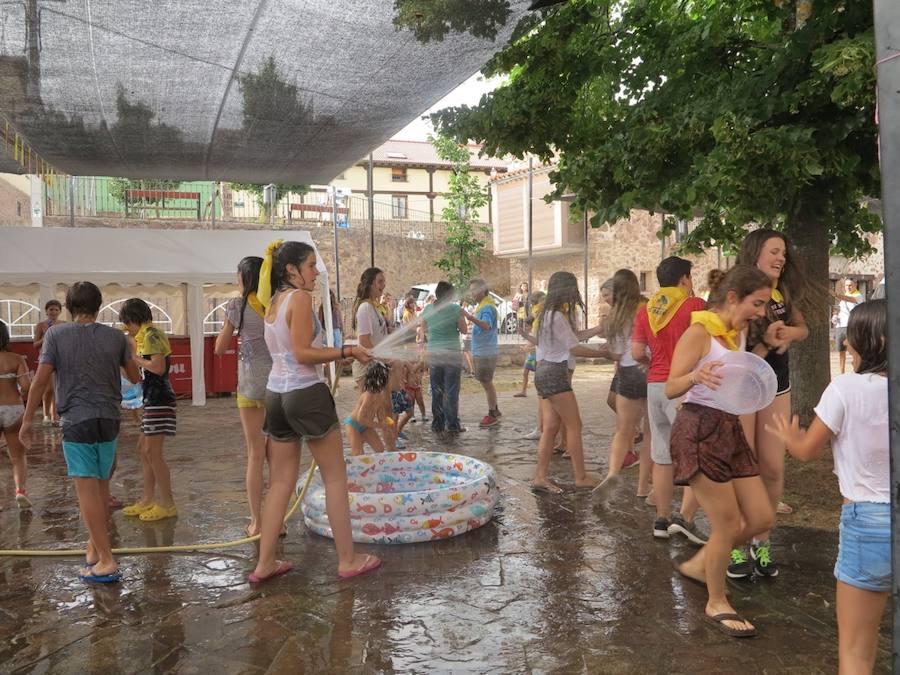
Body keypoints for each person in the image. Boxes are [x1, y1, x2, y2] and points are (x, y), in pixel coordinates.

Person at [766, 300, 888, 673]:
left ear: (875, 341)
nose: (846, 343)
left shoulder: (846, 389)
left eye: (852, 336)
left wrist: (790, 437)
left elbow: (806, 451)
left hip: (867, 524)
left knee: (856, 650)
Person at [253, 240, 379, 582]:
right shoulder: (299, 298)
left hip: (276, 395)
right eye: (311, 266)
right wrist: (347, 351)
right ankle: (348, 560)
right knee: (335, 477)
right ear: (291, 270)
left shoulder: (273, 302)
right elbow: (303, 353)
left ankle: (265, 564)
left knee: (280, 481)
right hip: (305, 392)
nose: (315, 273)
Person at [667, 264, 777, 638]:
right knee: (727, 525)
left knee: (761, 517)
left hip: (729, 428)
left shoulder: (736, 332)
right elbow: (670, 387)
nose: (760, 312)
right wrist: (694, 376)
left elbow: (743, 370)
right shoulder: (699, 333)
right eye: (757, 303)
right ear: (733, 297)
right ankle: (716, 601)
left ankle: (702, 563)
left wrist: (766, 344)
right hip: (697, 431)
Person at [20, 282, 141, 583]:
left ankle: (107, 560)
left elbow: (40, 382)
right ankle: (93, 550)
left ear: (70, 307)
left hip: (77, 420)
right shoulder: (116, 337)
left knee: (87, 491)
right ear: (98, 306)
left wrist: (27, 420)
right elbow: (134, 376)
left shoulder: (56, 335)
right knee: (101, 488)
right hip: (109, 418)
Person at [731, 228, 828, 579]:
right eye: (774, 251)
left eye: (783, 253)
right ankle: (736, 545)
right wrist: (764, 343)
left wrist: (790, 333)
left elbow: (802, 328)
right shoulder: (734, 291)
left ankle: (762, 541)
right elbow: (727, 345)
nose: (781, 258)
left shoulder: (782, 292)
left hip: (777, 386)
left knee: (772, 467)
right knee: (743, 466)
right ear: (755, 253)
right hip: (741, 388)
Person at [632, 257, 706, 542]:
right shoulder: (695, 305)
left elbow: (637, 352)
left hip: (655, 386)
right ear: (685, 279)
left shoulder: (646, 311)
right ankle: (686, 520)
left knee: (662, 456)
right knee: (694, 455)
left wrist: (654, 363)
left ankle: (661, 520)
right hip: (684, 386)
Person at [531, 271, 606, 493]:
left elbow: (571, 338)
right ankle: (581, 477)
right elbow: (574, 348)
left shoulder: (546, 314)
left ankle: (540, 477)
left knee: (550, 427)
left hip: (542, 371)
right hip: (555, 373)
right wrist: (604, 354)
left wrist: (598, 329)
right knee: (574, 425)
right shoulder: (556, 316)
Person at [215, 256, 273, 537]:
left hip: (250, 387)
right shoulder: (275, 304)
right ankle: (278, 520)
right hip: (278, 385)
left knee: (255, 454)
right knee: (277, 457)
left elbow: (220, 347)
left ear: (244, 278)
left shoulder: (237, 306)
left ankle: (257, 522)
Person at [119, 298, 178, 522]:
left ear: (134, 319)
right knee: (144, 449)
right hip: (152, 399)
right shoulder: (144, 336)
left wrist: (134, 358)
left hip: (160, 399)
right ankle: (148, 498)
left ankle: (167, 503)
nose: (128, 329)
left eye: (128, 324)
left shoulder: (152, 335)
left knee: (153, 453)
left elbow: (158, 367)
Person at [594, 269, 651, 500]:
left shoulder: (615, 316)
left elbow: (616, 354)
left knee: (623, 430)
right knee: (650, 432)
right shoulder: (646, 309)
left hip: (626, 372)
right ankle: (643, 487)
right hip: (647, 369)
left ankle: (613, 472)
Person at [421, 281, 467, 435]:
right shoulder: (455, 309)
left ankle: (438, 424)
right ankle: (452, 424)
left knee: (437, 389)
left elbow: (424, 328)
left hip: (434, 353)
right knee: (451, 389)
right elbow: (464, 329)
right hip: (451, 354)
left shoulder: (428, 309)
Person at [0, 320, 32, 508]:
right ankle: (20, 491)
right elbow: (27, 387)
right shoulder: (17, 359)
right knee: (18, 456)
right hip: (13, 409)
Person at [464, 278, 501, 427]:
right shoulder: (484, 306)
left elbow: (486, 325)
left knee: (487, 383)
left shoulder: (487, 308)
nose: (471, 293)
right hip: (483, 351)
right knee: (486, 383)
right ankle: (495, 410)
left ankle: (492, 414)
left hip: (486, 352)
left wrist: (470, 317)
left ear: (482, 290)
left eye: (474, 290)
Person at [351, 268, 389, 390]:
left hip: (375, 363)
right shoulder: (365, 307)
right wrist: (383, 357)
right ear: (371, 284)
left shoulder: (373, 306)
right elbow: (364, 341)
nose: (384, 285)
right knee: (369, 402)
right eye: (380, 281)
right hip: (367, 367)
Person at [344, 361, 391, 456]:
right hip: (353, 425)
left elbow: (380, 415)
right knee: (358, 453)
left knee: (380, 449)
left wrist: (386, 426)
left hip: (365, 425)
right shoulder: (368, 395)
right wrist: (379, 425)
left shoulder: (380, 396)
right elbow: (360, 418)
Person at [33, 299, 64, 425]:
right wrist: (46, 336)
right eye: (51, 309)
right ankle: (46, 414)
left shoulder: (64, 324)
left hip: (61, 359)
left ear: (60, 311)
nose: (54, 312)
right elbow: (35, 344)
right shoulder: (41, 325)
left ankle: (55, 415)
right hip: (46, 359)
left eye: (56, 309)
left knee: (59, 388)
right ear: (46, 311)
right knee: (49, 388)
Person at [515, 290, 546, 401]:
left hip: (537, 355)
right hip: (532, 355)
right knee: (525, 373)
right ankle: (524, 391)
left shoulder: (539, 323)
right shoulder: (534, 326)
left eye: (533, 303)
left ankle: (541, 393)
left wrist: (528, 348)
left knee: (539, 376)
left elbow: (541, 344)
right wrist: (525, 348)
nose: (532, 306)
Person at [833, 278, 863, 375]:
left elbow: (851, 300)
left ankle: (857, 371)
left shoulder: (858, 296)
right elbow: (838, 309)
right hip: (840, 326)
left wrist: (836, 295)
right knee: (841, 351)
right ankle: (841, 373)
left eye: (850, 285)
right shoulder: (844, 297)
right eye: (846, 285)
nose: (848, 287)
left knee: (854, 349)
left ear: (855, 285)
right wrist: (835, 316)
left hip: (851, 326)